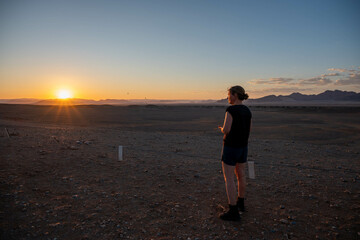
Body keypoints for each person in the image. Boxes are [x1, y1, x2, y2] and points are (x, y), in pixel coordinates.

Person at [218, 85, 252, 221]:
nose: (227, 97)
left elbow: (226, 129)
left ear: (235, 95)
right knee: (241, 175)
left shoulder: (231, 110)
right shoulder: (247, 111)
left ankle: (233, 210)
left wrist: (221, 129)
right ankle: (241, 203)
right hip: (243, 147)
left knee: (229, 178)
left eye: (229, 94)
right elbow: (249, 129)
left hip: (231, 147)